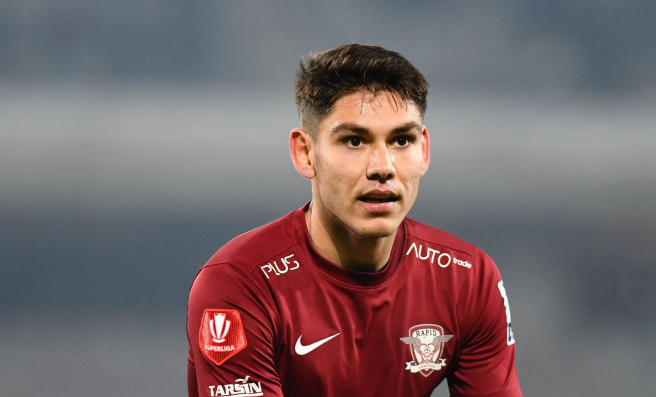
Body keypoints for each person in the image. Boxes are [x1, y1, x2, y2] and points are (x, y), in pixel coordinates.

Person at [187, 43, 522, 397]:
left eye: (401, 140)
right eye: (354, 141)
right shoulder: (239, 285)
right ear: (305, 153)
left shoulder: (468, 280)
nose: (383, 167)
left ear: (424, 150)